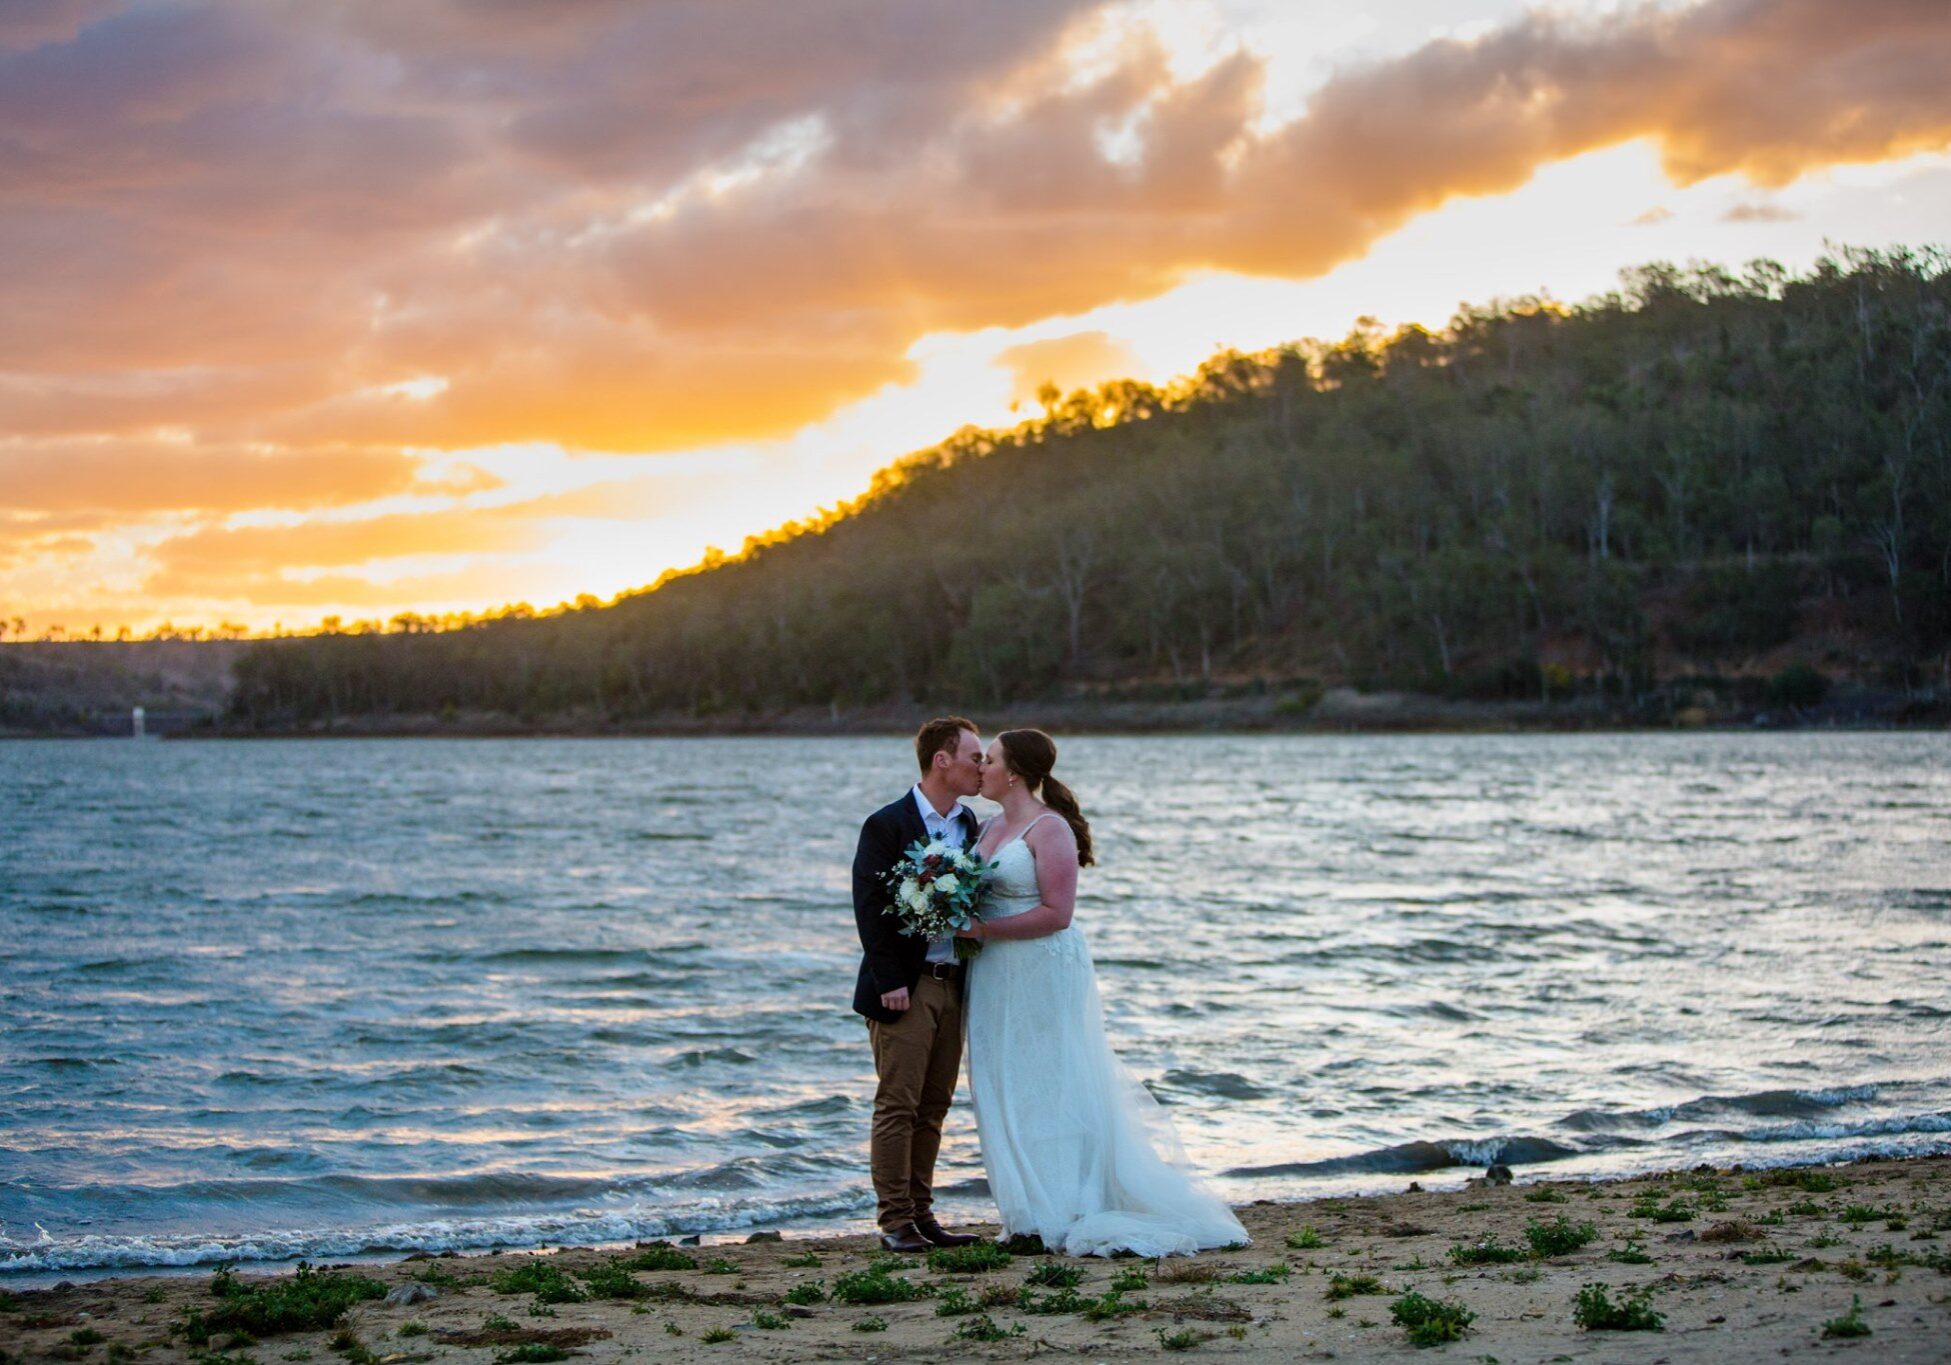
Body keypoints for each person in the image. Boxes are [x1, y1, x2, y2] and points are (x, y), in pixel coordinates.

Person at [958, 728, 1248, 1257]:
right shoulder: (986, 827)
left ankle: (1062, 1209)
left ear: (1015, 772)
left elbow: (1057, 913)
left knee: (1051, 1078)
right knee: (1005, 1077)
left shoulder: (1051, 829)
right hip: (996, 971)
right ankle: (1024, 1214)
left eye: (990, 759)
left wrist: (982, 930)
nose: (980, 766)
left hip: (1041, 966)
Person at [850, 716, 987, 1252]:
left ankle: (924, 1214)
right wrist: (889, 980)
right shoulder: (887, 824)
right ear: (942, 760)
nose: (982, 767)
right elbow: (869, 907)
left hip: (953, 980)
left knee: (934, 1107)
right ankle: (895, 1221)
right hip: (906, 984)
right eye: (975, 757)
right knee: (898, 1104)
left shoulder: (969, 824)